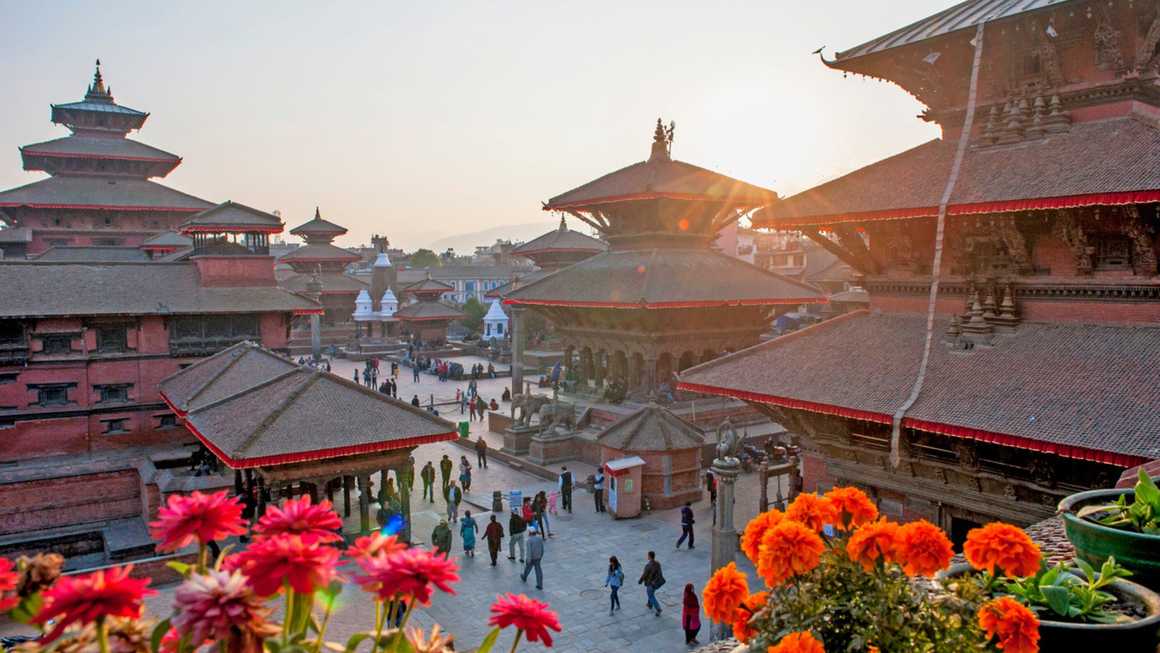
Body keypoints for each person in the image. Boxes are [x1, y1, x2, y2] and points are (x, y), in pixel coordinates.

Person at [639, 550, 664, 617]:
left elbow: (644, 575)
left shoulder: (648, 566)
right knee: (651, 593)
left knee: (651, 595)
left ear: (649, 556)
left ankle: (658, 609)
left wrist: (640, 581)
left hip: (651, 583)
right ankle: (650, 604)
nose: (647, 556)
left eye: (648, 555)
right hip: (657, 583)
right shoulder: (658, 564)